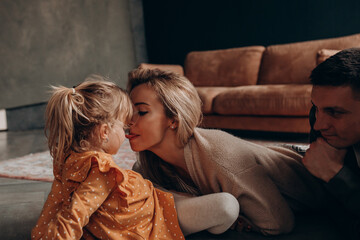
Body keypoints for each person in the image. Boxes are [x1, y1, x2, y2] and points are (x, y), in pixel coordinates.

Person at [31, 75, 240, 240]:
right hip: (155, 220)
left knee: (196, 200)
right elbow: (75, 214)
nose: (127, 130)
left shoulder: (66, 163)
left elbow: (53, 206)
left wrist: (40, 235)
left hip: (153, 200)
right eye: (122, 126)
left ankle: (194, 209)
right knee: (227, 206)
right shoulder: (101, 171)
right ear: (105, 132)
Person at [126, 68, 328, 236]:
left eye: (142, 112)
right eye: (128, 112)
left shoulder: (220, 156)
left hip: (321, 182)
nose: (128, 121)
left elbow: (278, 223)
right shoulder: (146, 164)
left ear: (174, 120)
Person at [302, 48, 360, 238]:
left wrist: (336, 175)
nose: (318, 125)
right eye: (316, 108)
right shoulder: (317, 120)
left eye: (335, 112)